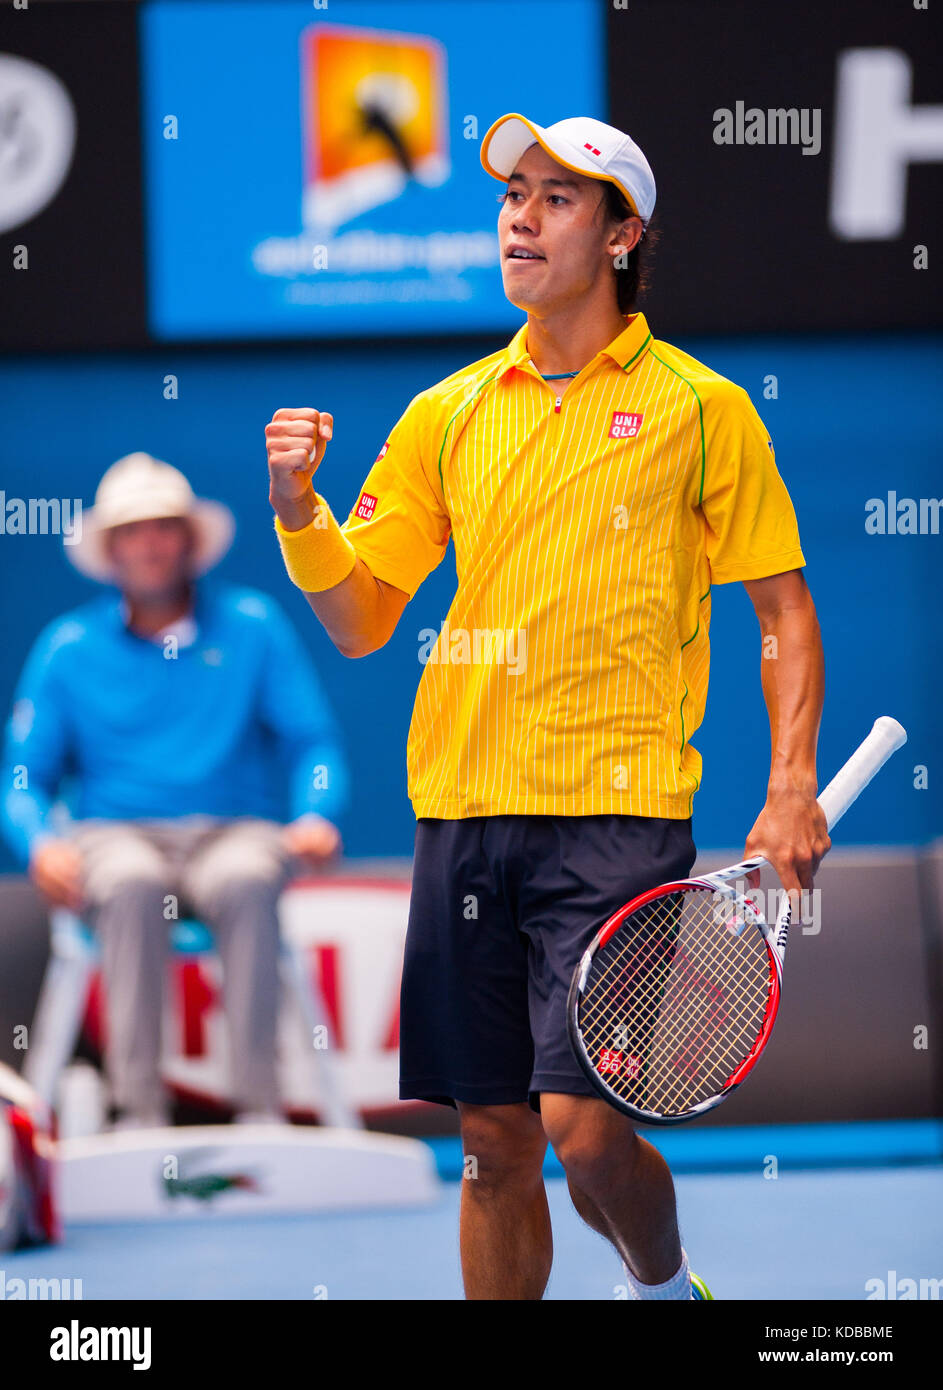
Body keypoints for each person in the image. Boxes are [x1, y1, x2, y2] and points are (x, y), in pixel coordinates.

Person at [263, 113, 829, 1300]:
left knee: (579, 1125)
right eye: (513, 193)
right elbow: (365, 619)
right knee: (491, 1149)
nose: (520, 215)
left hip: (614, 815)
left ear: (623, 236)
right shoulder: (447, 412)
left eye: (558, 198)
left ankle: (666, 1288)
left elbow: (781, 610)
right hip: (464, 810)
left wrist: (787, 789)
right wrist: (301, 511)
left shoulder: (701, 407)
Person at [2, 452, 349, 1128]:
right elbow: (22, 778)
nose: (150, 543)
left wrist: (315, 813)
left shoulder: (254, 625)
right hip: (115, 837)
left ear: (189, 540)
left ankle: (259, 1115)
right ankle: (140, 1116)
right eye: (133, 530)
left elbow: (314, 744)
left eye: (164, 526)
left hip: (234, 830)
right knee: (131, 886)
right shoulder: (66, 649)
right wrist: (39, 844)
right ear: (111, 550)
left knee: (250, 877)